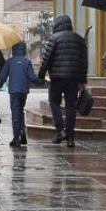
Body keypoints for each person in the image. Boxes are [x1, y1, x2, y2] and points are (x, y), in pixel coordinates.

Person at [38, 14, 88, 148]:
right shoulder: (79, 39)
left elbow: (46, 58)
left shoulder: (54, 38)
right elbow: (84, 61)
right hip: (73, 78)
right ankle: (70, 137)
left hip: (57, 78)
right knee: (70, 106)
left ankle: (60, 131)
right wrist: (82, 80)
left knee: (54, 102)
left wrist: (41, 75)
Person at [0, 42, 43, 148]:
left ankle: (16, 138)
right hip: (23, 91)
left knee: (15, 113)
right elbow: (32, 77)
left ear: (13, 50)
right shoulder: (26, 62)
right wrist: (41, 82)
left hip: (14, 91)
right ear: (23, 50)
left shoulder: (9, 62)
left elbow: (2, 77)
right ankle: (23, 133)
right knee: (20, 110)